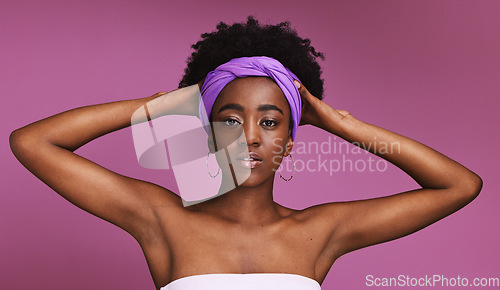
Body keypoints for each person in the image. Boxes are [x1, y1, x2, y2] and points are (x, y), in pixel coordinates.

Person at [9, 17, 482, 290]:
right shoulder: (161, 219)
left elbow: (460, 185)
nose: (250, 137)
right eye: (230, 119)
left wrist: (344, 125)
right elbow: (31, 142)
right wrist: (161, 105)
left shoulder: (322, 230)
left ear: (290, 142)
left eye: (271, 122)